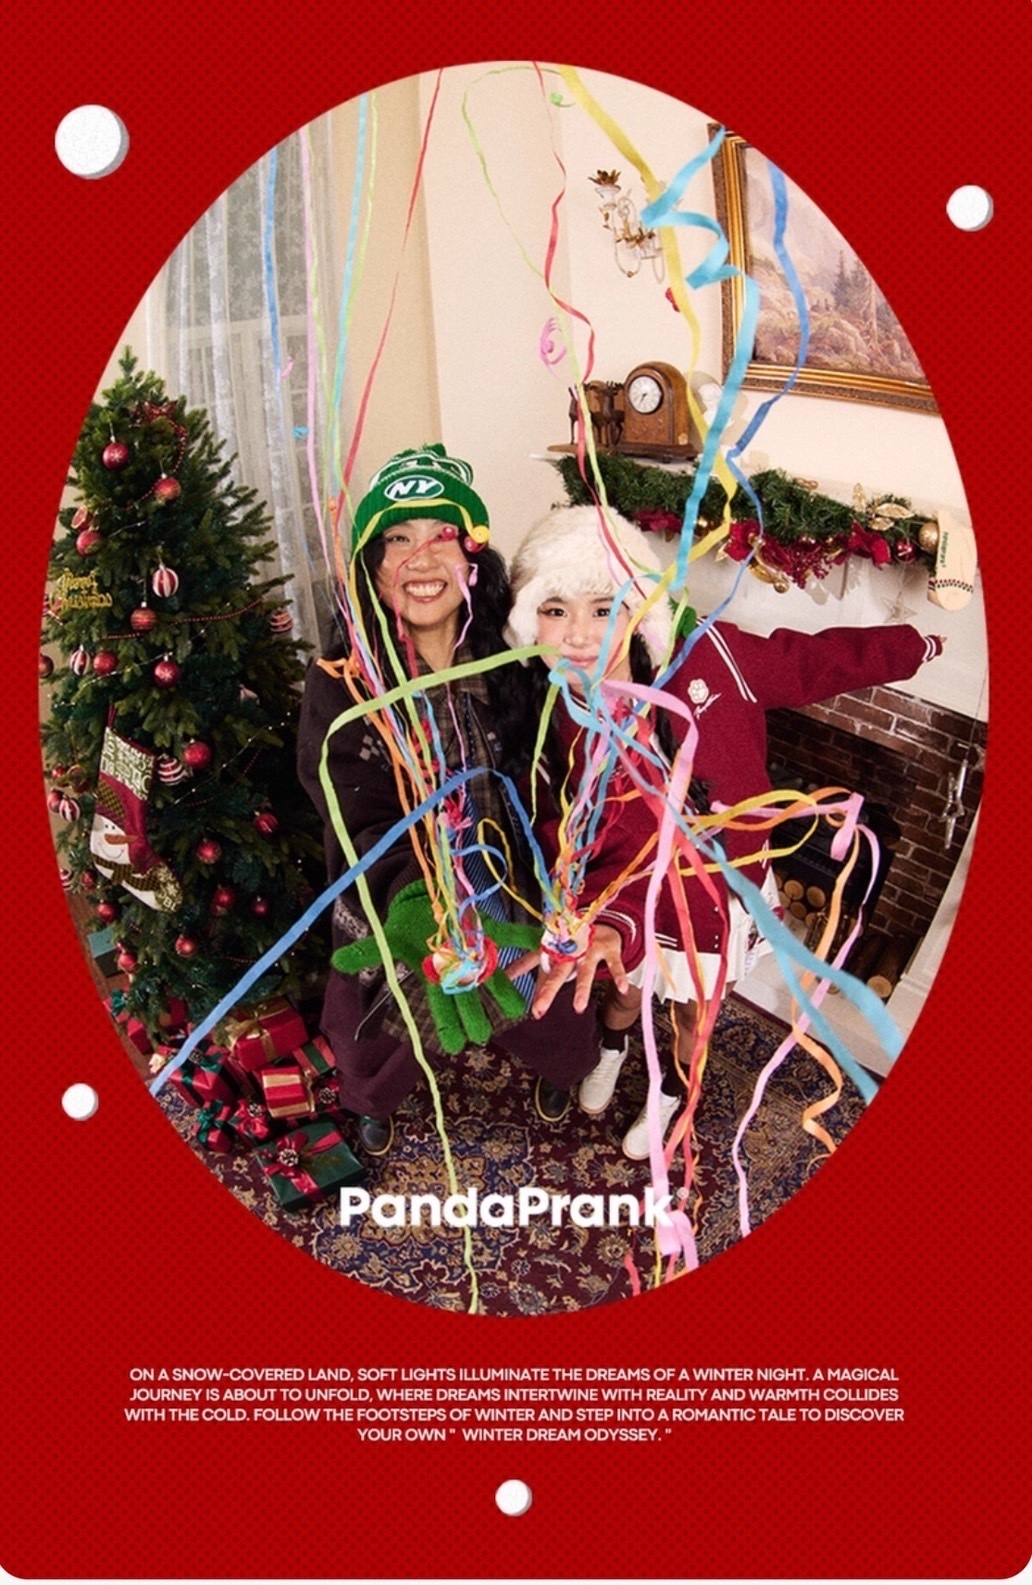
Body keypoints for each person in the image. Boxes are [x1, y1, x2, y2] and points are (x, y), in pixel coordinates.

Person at [504, 505, 946, 1158]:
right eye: (554, 609)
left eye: (603, 608)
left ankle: (671, 1095)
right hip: (633, 907)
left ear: (639, 609)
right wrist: (606, 920)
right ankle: (615, 1048)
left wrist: (916, 647)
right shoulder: (552, 724)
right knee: (624, 995)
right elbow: (571, 837)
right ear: (528, 619)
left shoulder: (713, 657)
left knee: (695, 1018)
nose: (579, 634)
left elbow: (812, 663)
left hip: (721, 898)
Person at [296, 447, 599, 1156]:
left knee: (545, 1002)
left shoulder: (519, 656)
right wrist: (418, 902)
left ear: (473, 559)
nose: (421, 558)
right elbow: (351, 811)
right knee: (386, 1022)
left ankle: (561, 1068)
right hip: (405, 895)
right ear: (372, 566)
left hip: (516, 883)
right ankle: (373, 1099)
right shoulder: (341, 683)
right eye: (398, 538)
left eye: (442, 535)